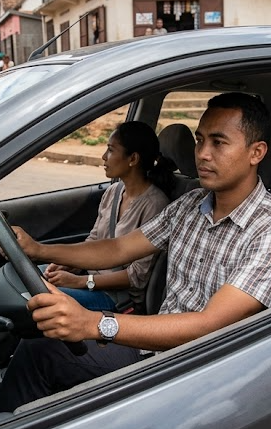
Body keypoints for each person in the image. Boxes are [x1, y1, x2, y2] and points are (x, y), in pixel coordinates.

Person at [0, 92, 271, 414]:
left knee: (44, 353)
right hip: (153, 350)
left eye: (219, 143)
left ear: (256, 153)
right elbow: (119, 248)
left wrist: (95, 324)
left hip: (199, 376)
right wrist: (38, 250)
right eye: (199, 140)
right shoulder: (190, 205)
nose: (202, 154)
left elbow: (209, 325)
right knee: (40, 346)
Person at [44, 121, 174, 313]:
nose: (104, 157)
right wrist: (71, 264)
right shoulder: (113, 191)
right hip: (89, 278)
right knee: (28, 277)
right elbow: (95, 239)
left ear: (133, 159)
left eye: (111, 150)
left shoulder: (155, 205)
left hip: (118, 298)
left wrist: (81, 281)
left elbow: (136, 276)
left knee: (40, 295)